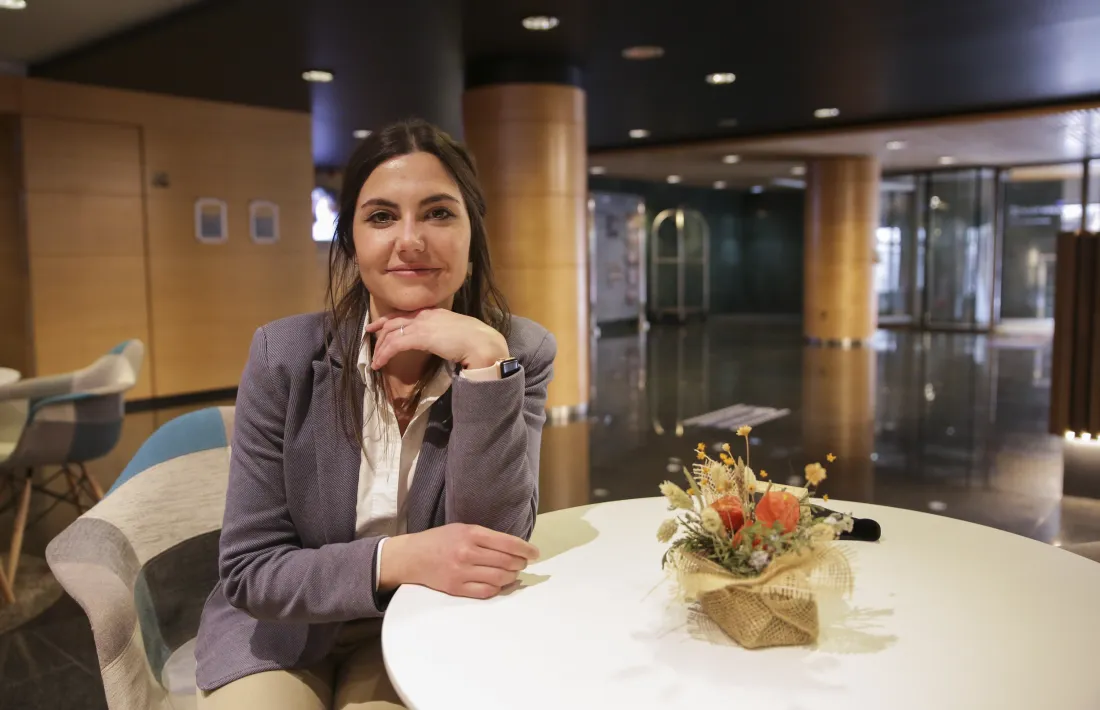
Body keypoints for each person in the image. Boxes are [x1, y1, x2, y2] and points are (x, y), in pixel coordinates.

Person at [194, 119, 555, 709]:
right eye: (382, 217)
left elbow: (493, 544)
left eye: (439, 213)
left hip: (431, 619)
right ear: (351, 242)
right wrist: (401, 558)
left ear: (472, 235)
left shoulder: (519, 351)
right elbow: (251, 570)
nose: (410, 241)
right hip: (285, 631)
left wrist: (485, 366)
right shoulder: (283, 355)